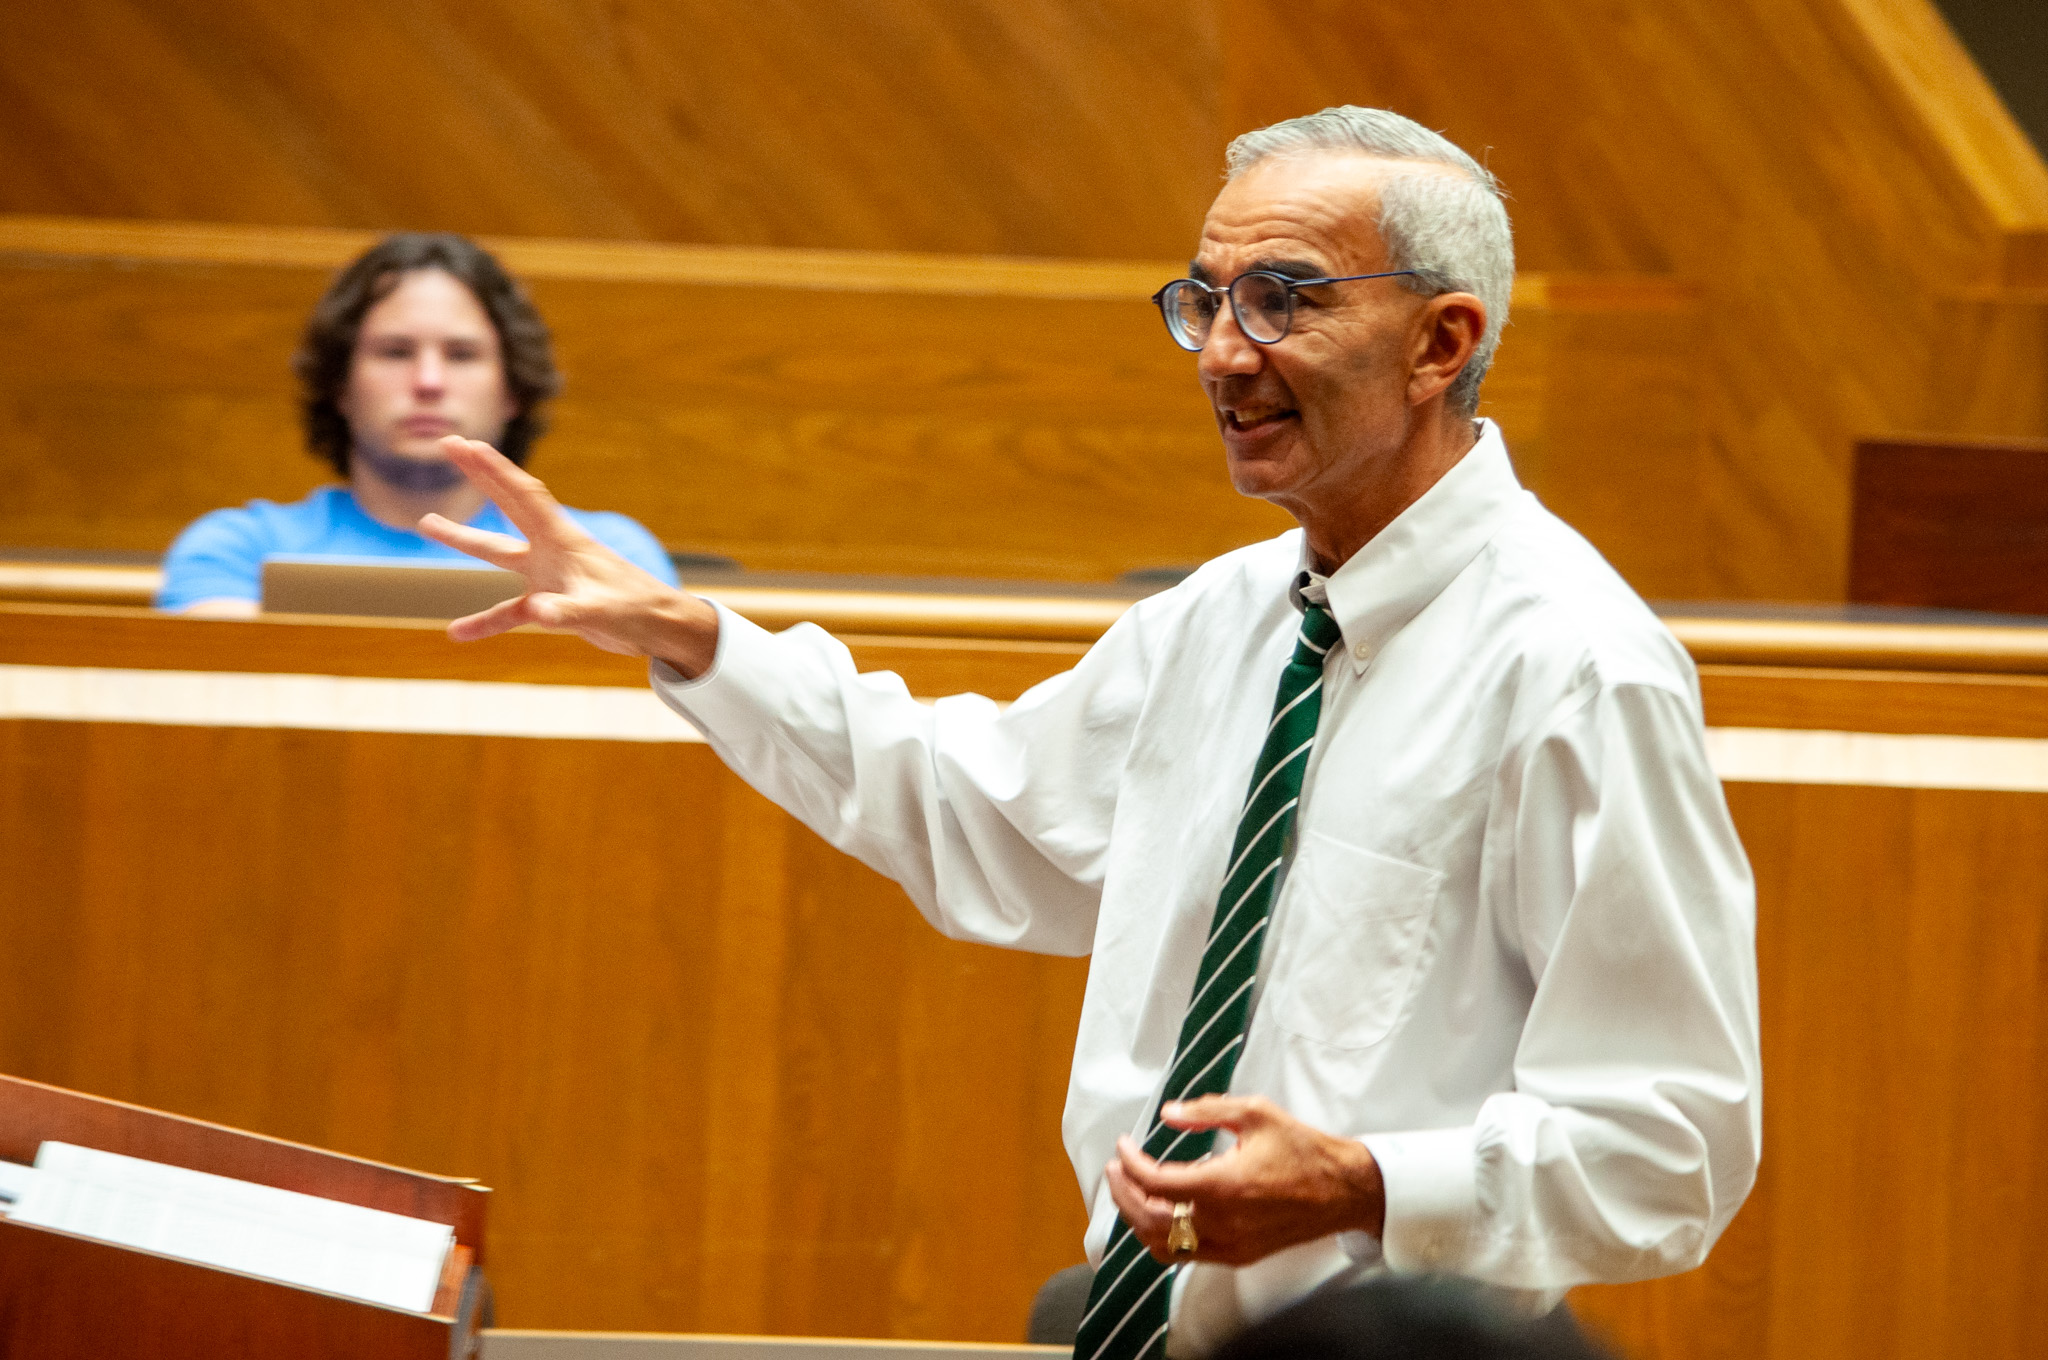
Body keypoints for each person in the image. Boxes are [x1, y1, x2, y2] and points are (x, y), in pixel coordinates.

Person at [420, 106, 1760, 1358]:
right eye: (1206, 301)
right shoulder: (1225, 617)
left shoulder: (1579, 668)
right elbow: (979, 820)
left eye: (1281, 299)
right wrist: (690, 640)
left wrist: (1361, 1186)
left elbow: (1672, 1141)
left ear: (1440, 343)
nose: (1227, 353)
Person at [155, 233, 678, 615]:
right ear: (341, 385)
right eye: (395, 352)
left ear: (512, 391)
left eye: (462, 354)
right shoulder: (236, 548)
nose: (428, 381)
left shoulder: (610, 554)